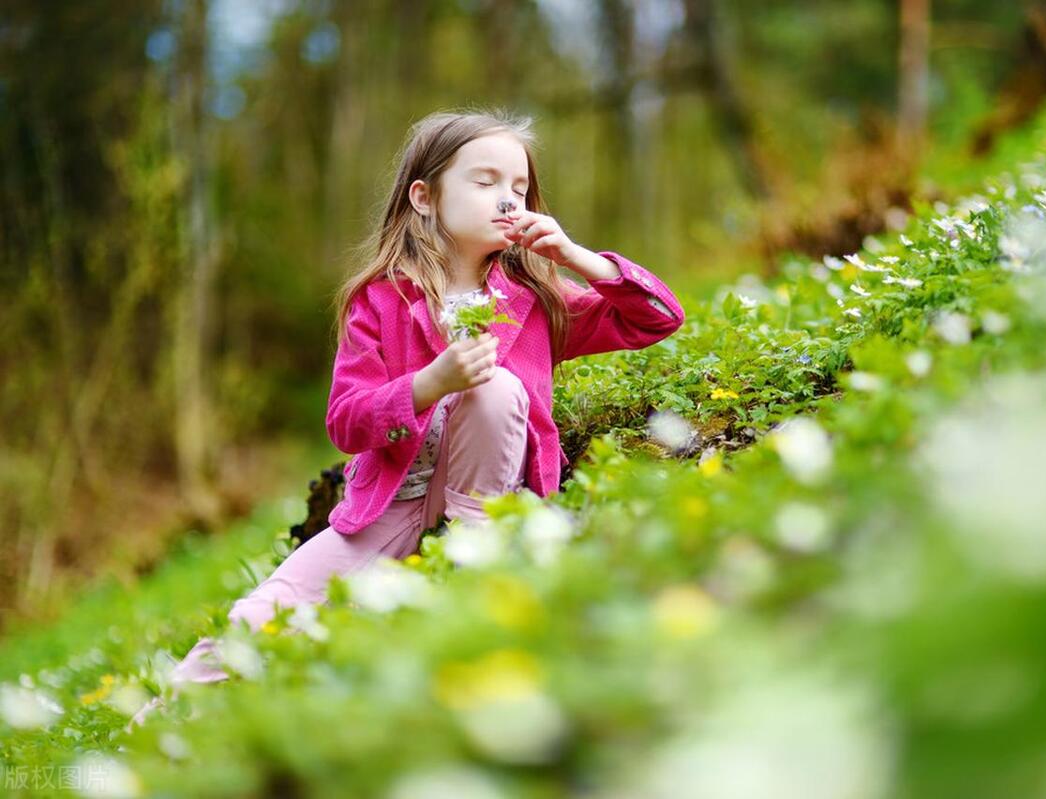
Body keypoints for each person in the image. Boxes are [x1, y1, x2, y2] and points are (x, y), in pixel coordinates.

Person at [127, 108, 685, 729]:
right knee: (259, 619)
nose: (508, 198)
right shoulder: (380, 299)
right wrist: (425, 385)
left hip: (488, 505)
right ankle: (145, 737)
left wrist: (579, 258)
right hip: (388, 503)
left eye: (520, 188)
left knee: (497, 385)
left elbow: (657, 317)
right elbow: (344, 420)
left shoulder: (538, 302)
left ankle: (474, 557)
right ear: (424, 196)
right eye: (485, 181)